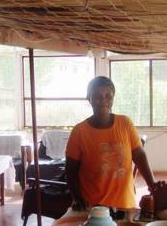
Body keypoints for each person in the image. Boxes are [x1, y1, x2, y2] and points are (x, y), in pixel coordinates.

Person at [65, 76, 160, 214]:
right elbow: (70, 170)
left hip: (125, 206)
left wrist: (152, 184)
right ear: (89, 98)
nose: (103, 100)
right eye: (97, 96)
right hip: (94, 208)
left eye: (108, 96)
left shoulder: (125, 123)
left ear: (113, 98)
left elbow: (139, 155)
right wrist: (77, 197)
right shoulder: (79, 131)